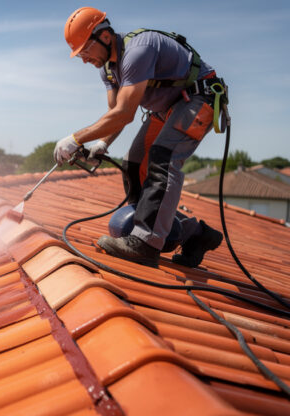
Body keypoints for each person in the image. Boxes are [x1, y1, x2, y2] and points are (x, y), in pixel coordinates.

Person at [54, 6, 225, 268]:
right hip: (167, 108)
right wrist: (101, 144)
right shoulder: (108, 69)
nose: (84, 59)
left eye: (85, 50)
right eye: (79, 55)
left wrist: (75, 139)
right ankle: (193, 234)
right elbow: (115, 113)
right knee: (134, 165)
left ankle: (146, 243)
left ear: (105, 37)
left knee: (162, 159)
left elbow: (124, 114)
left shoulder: (137, 51)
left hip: (198, 98)